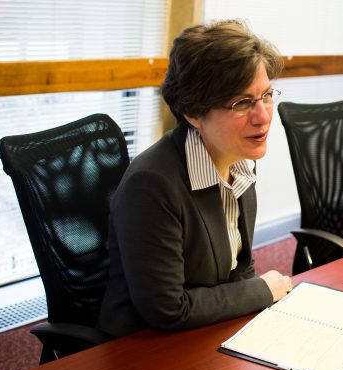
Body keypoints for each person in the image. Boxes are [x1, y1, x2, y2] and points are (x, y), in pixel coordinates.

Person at [97, 20, 292, 337]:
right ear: (193, 113)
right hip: (145, 347)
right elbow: (168, 309)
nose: (264, 116)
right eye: (242, 103)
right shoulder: (152, 185)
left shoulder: (239, 162)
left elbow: (239, 267)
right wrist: (262, 291)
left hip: (208, 331)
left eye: (267, 95)